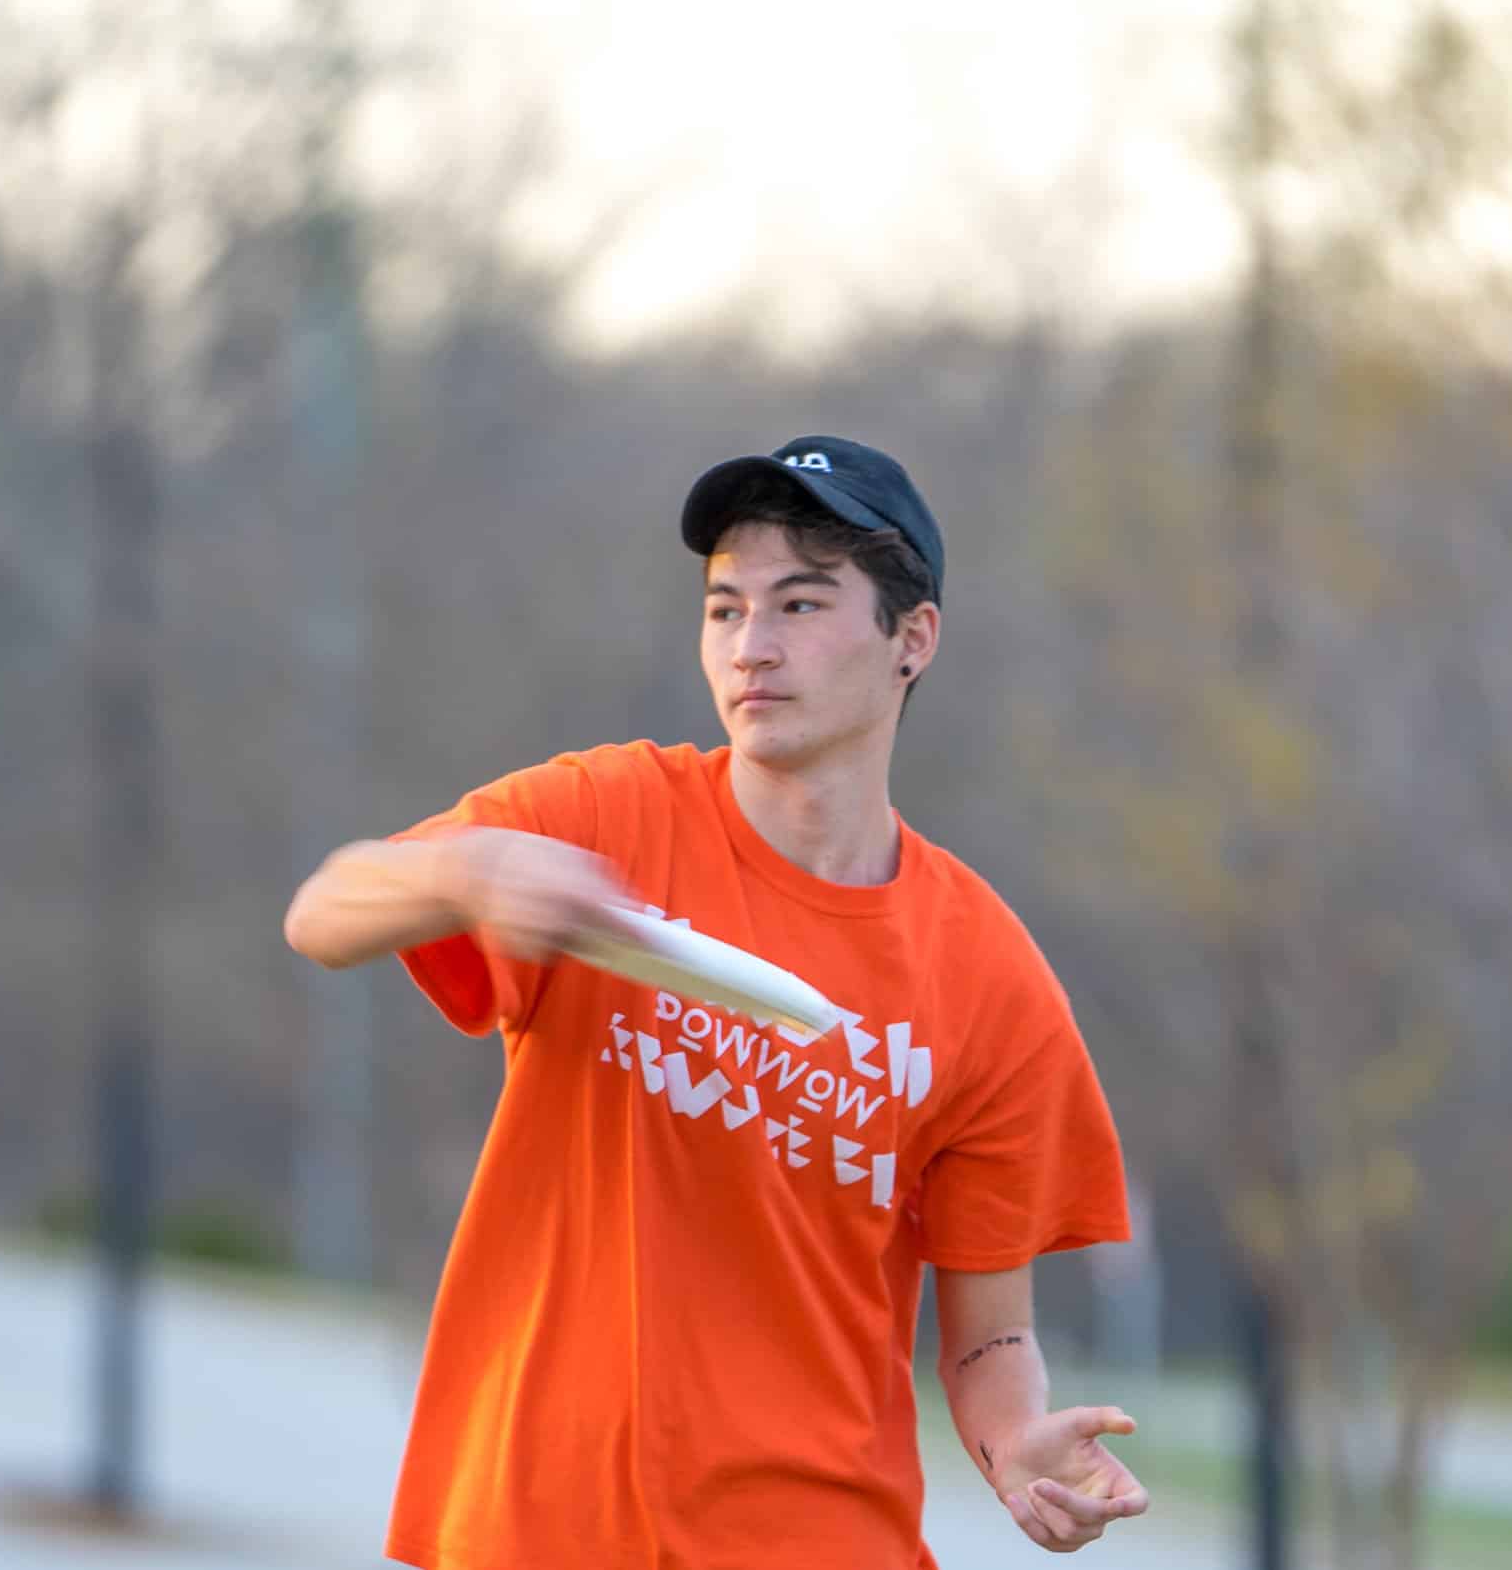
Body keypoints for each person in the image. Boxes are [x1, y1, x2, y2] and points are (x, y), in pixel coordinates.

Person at [284, 436, 1149, 1568]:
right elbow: (325, 910)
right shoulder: (604, 814)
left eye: (799, 602)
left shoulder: (991, 979)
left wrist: (1015, 1441)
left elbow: (992, 1337)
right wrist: (463, 871)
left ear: (911, 638)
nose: (753, 645)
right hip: (533, 1529)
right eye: (725, 607)